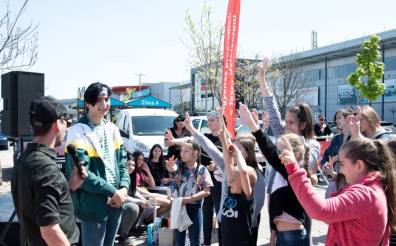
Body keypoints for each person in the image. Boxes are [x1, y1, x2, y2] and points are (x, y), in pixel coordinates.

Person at [280, 136, 396, 245]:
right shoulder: (374, 188)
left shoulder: (365, 194)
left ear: (359, 165)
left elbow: (320, 210)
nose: (341, 171)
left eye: (342, 164)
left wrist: (294, 169)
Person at [182, 110, 266, 246]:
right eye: (233, 149)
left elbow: (258, 203)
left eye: (238, 150)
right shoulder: (227, 166)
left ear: (248, 152)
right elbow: (209, 146)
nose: (233, 152)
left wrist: (247, 221)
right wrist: (192, 129)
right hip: (226, 226)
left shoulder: (254, 172)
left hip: (246, 227)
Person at [11, 96, 83, 246]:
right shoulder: (45, 168)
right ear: (57, 124)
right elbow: (49, 230)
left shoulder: (25, 159)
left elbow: (40, 206)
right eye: (66, 121)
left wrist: (69, 187)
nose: (67, 126)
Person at [65, 82, 130, 246]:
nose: (104, 105)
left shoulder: (113, 129)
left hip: (116, 201)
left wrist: (123, 188)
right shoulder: (77, 131)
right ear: (88, 103)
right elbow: (82, 175)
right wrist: (113, 191)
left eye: (106, 99)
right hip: (93, 205)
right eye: (99, 100)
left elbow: (123, 163)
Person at [239, 104, 311, 245]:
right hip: (283, 235)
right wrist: (273, 233)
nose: (278, 155)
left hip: (294, 236)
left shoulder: (293, 173)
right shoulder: (283, 174)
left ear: (295, 154)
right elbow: (276, 207)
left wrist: (254, 127)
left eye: (281, 151)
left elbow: (269, 151)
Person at [217, 118, 257, 246]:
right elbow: (228, 162)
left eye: (235, 176)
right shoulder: (230, 192)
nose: (231, 177)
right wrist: (223, 140)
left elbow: (243, 171)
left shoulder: (246, 197)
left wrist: (238, 152)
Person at [165, 140, 213, 246]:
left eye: (186, 151)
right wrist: (170, 168)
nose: (182, 153)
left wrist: (190, 199)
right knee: (179, 242)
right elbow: (173, 168)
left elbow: (207, 191)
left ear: (195, 153)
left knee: (195, 242)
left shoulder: (201, 170)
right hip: (178, 207)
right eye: (181, 151)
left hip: (194, 208)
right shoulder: (179, 166)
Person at [118, 156, 149, 246]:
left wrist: (142, 199)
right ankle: (122, 236)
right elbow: (124, 196)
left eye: (133, 165)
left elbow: (133, 192)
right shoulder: (120, 176)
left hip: (126, 201)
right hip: (118, 203)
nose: (131, 167)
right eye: (128, 165)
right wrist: (139, 201)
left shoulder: (131, 176)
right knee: (134, 207)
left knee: (142, 204)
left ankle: (131, 229)